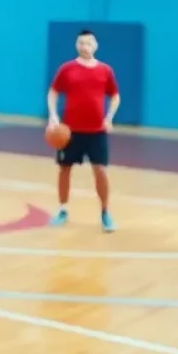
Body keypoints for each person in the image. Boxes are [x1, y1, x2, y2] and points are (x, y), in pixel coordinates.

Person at [46, 28, 121, 232]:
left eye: (88, 43)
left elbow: (115, 96)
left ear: (95, 45)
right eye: (81, 43)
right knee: (64, 169)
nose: (85, 46)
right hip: (70, 132)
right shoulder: (66, 69)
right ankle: (62, 209)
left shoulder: (105, 70)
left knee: (101, 171)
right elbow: (53, 92)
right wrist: (53, 115)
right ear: (76, 45)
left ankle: (105, 212)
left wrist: (109, 118)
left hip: (97, 132)